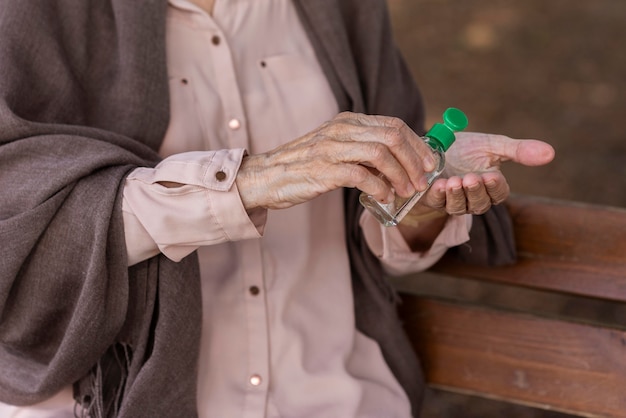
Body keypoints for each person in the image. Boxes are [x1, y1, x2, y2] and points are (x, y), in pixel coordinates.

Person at [0, 0, 555, 417]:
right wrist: (251, 181)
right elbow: (16, 212)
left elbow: (378, 232)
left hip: (343, 401)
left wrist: (418, 207)